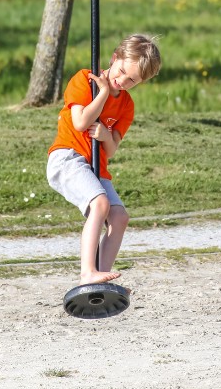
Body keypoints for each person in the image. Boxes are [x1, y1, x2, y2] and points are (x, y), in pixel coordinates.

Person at [47, 34, 162, 285]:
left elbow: (110, 150)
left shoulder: (127, 106)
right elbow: (80, 123)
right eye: (120, 72)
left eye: (132, 80)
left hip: (96, 167)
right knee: (100, 205)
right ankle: (87, 272)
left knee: (119, 217)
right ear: (114, 58)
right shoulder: (85, 80)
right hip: (67, 157)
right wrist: (102, 93)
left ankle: (100, 274)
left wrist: (106, 135)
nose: (122, 81)